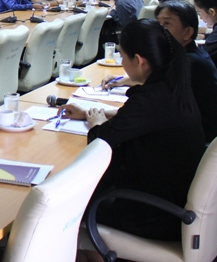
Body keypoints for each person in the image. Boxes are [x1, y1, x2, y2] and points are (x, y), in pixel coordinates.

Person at [66, 19, 204, 249]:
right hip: (173, 199)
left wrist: (97, 123)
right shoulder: (171, 85)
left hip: (154, 214)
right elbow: (140, 121)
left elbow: (100, 143)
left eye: (122, 56)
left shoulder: (150, 98)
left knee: (68, 209)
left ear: (139, 61)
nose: (122, 63)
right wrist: (93, 114)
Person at [155, 0, 217, 142]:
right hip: (193, 130)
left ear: (187, 32)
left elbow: (156, 102)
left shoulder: (190, 63)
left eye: (167, 23)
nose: (159, 29)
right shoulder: (188, 54)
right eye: (158, 23)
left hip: (198, 139)